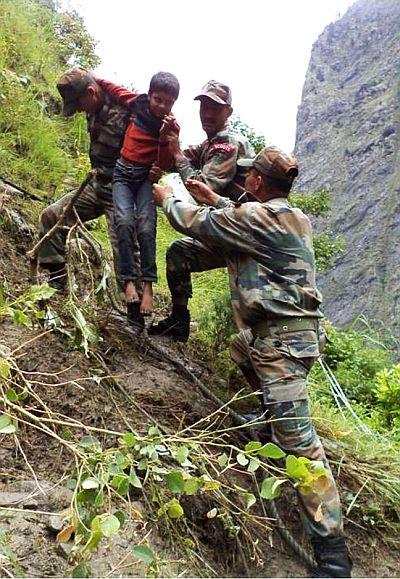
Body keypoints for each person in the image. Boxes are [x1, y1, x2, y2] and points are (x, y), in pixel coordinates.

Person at [152, 146, 352, 578]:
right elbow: (241, 220)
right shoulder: (292, 217)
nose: (245, 182)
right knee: (242, 348)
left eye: (249, 178)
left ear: (257, 182)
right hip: (287, 338)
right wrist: (217, 198)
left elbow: (190, 221)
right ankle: (267, 414)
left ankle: (333, 560)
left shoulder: (258, 218)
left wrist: (170, 195)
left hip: (282, 345)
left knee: (303, 450)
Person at [149, 79, 253, 340]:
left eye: (214, 108)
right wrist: (168, 141)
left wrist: (176, 152)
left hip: (243, 235)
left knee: (251, 306)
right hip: (226, 231)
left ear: (228, 112)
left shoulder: (227, 144)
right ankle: (179, 321)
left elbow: (202, 186)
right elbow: (178, 161)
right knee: (179, 253)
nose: (207, 114)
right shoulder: (209, 144)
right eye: (203, 107)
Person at [37, 67, 133, 294]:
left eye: (79, 105)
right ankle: (56, 284)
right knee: (51, 216)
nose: (79, 110)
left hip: (122, 191)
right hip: (97, 185)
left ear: (91, 93)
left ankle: (134, 312)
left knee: (125, 244)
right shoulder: (92, 101)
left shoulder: (127, 111)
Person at [94, 73, 180, 324]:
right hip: (122, 173)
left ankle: (148, 288)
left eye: (169, 102)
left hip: (144, 179)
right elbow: (117, 90)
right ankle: (128, 282)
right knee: (123, 222)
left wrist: (164, 138)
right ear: (149, 95)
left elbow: (164, 162)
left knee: (145, 226)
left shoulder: (171, 126)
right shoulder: (138, 103)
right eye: (158, 99)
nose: (162, 106)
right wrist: (96, 79)